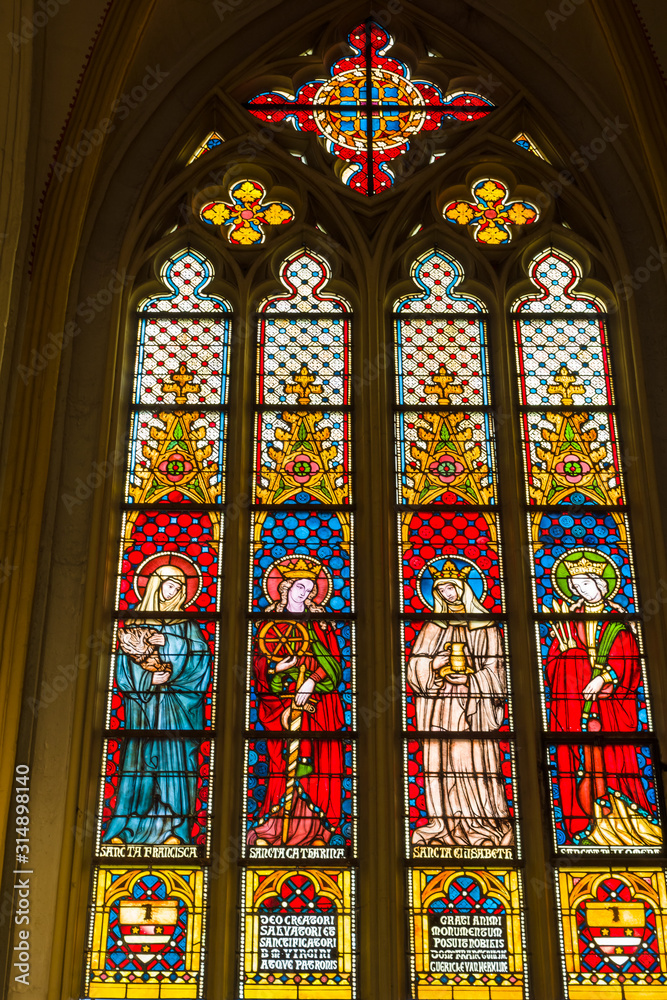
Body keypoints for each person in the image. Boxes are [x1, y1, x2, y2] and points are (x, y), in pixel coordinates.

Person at [547, 554, 660, 847]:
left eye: (586, 583)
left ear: (600, 583)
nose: (582, 589)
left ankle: (624, 821)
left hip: (612, 708)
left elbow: (630, 660)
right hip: (577, 710)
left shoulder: (618, 622)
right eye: (575, 585)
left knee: (615, 757)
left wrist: (604, 677)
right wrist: (572, 659)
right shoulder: (568, 622)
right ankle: (590, 822)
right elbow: (553, 666)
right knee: (584, 758)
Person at [103, 561, 211, 846]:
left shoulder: (187, 627)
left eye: (178, 587)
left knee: (174, 766)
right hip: (144, 711)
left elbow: (202, 662)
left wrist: (171, 646)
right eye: (168, 585)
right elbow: (125, 672)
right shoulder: (136, 623)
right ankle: (129, 829)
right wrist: (150, 679)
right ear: (155, 585)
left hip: (178, 714)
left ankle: (176, 830)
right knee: (139, 766)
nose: (173, 591)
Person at [407, 561, 513, 848]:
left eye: (451, 587)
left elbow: (497, 671)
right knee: (441, 764)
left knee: (469, 761)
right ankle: (443, 825)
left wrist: (471, 680)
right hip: (439, 708)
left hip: (473, 711)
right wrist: (434, 665)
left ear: (464, 588)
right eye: (441, 589)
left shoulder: (487, 626)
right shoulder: (433, 626)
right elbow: (415, 668)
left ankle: (481, 823)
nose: (447, 593)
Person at [248, 558, 345, 847]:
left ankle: (319, 831)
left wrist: (312, 679)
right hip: (281, 707)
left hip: (319, 707)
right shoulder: (268, 625)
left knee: (318, 764)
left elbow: (335, 664)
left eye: (311, 589)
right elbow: (256, 664)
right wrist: (276, 670)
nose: (305, 593)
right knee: (283, 766)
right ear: (286, 587)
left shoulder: (322, 626)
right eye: (300, 587)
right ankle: (277, 828)